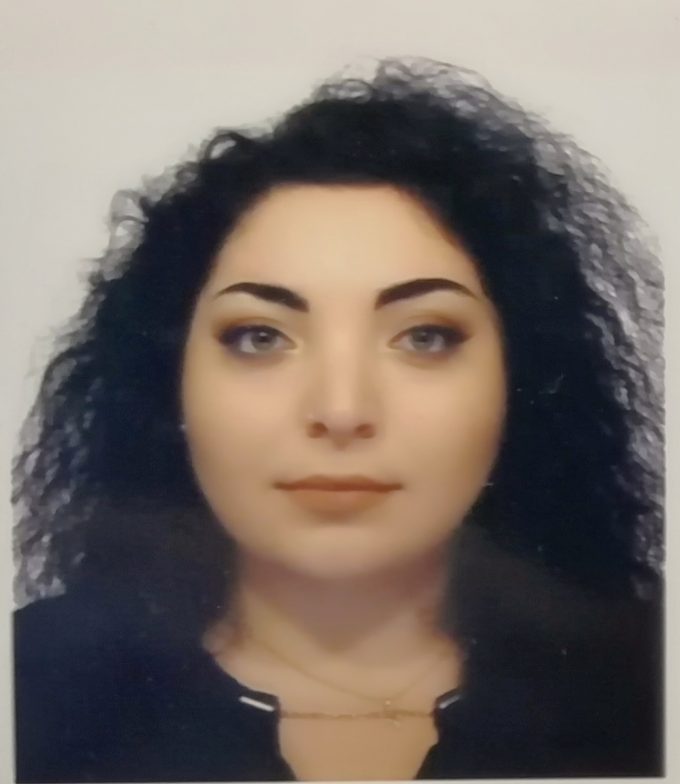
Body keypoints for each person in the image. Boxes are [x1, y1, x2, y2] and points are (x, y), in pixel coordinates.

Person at [12, 56, 663, 782]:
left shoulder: (648, 687)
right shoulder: (30, 691)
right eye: (260, 337)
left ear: (523, 377)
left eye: (425, 336)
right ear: (167, 382)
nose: (341, 411)